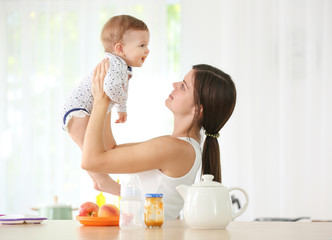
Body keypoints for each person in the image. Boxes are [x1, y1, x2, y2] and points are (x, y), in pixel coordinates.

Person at [81, 59, 237, 220]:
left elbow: (91, 161)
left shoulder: (176, 148)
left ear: (197, 109)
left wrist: (101, 100)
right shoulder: (180, 146)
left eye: (183, 86)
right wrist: (110, 98)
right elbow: (109, 150)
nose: (175, 84)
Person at [60, 15, 150, 192]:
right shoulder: (115, 64)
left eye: (147, 45)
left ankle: (99, 180)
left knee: (108, 149)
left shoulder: (122, 65)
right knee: (92, 155)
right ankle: (102, 182)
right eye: (142, 45)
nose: (147, 50)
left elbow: (120, 88)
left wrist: (122, 107)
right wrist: (122, 105)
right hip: (78, 112)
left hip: (87, 109)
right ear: (120, 48)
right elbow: (111, 87)